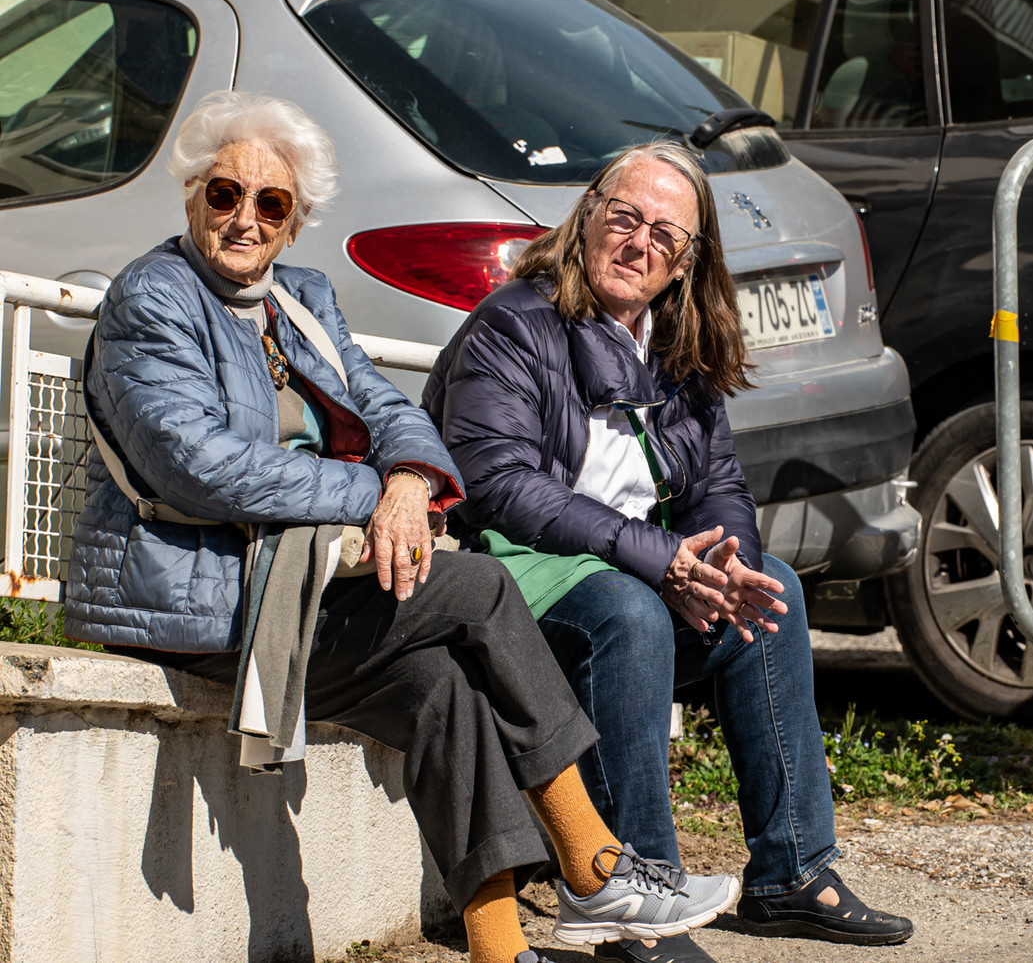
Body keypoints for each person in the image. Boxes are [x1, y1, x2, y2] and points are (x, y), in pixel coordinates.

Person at [62, 93, 741, 963]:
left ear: (295, 221)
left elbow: (393, 412)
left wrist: (413, 481)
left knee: (441, 686)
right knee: (480, 588)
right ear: (192, 194)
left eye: (271, 203)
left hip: (297, 585)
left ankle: (502, 950)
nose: (244, 219)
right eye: (224, 193)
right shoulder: (154, 298)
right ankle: (593, 863)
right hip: (195, 602)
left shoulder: (301, 299)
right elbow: (202, 465)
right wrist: (370, 492)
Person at [422, 141, 915, 963]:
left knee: (772, 594)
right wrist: (655, 559)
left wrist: (728, 567)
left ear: (686, 262)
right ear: (587, 218)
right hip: (513, 578)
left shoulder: (678, 340)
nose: (638, 243)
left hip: (629, 568)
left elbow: (718, 484)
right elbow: (497, 484)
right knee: (628, 614)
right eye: (624, 218)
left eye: (664, 234)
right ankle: (637, 898)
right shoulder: (513, 324)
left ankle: (792, 873)